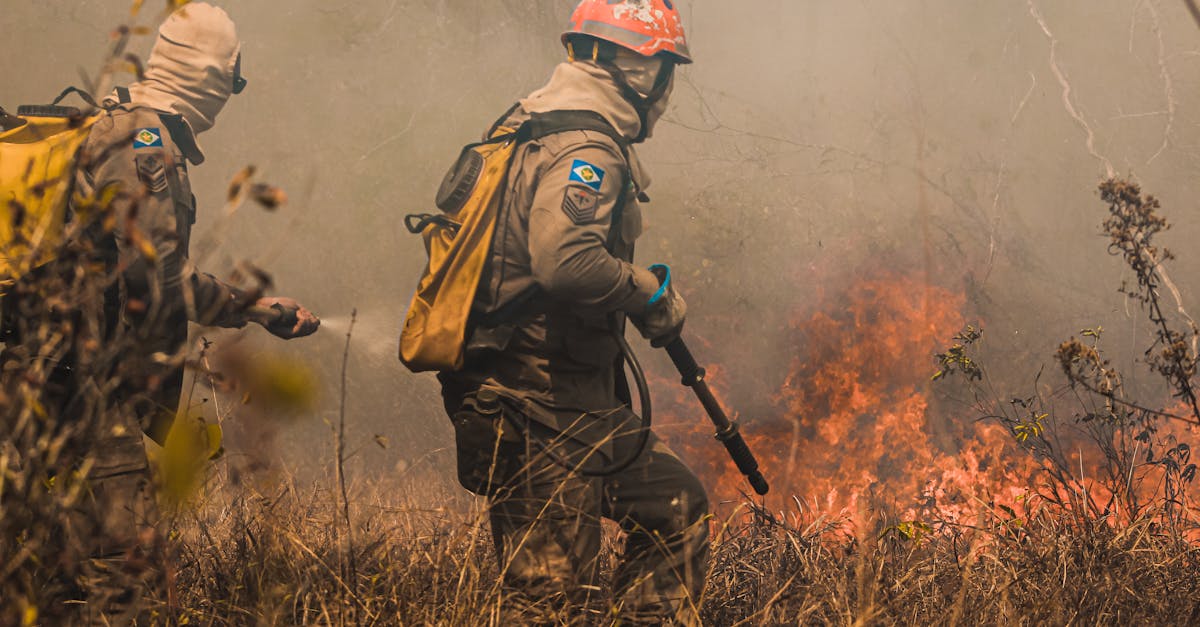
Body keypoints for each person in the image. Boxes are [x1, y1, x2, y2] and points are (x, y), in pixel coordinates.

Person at [437, 1, 708, 623]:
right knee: (548, 605)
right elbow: (564, 260)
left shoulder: (529, 123)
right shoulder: (587, 146)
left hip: (570, 401)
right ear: (643, 72)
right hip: (536, 404)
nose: (667, 91)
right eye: (666, 70)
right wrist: (646, 292)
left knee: (677, 508)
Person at [56, 2, 317, 614]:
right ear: (211, 77)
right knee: (123, 577)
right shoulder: (145, 142)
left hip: (63, 380)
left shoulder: (117, 122)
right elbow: (156, 274)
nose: (229, 97)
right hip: (87, 388)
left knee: (61, 573)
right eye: (233, 82)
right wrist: (254, 307)